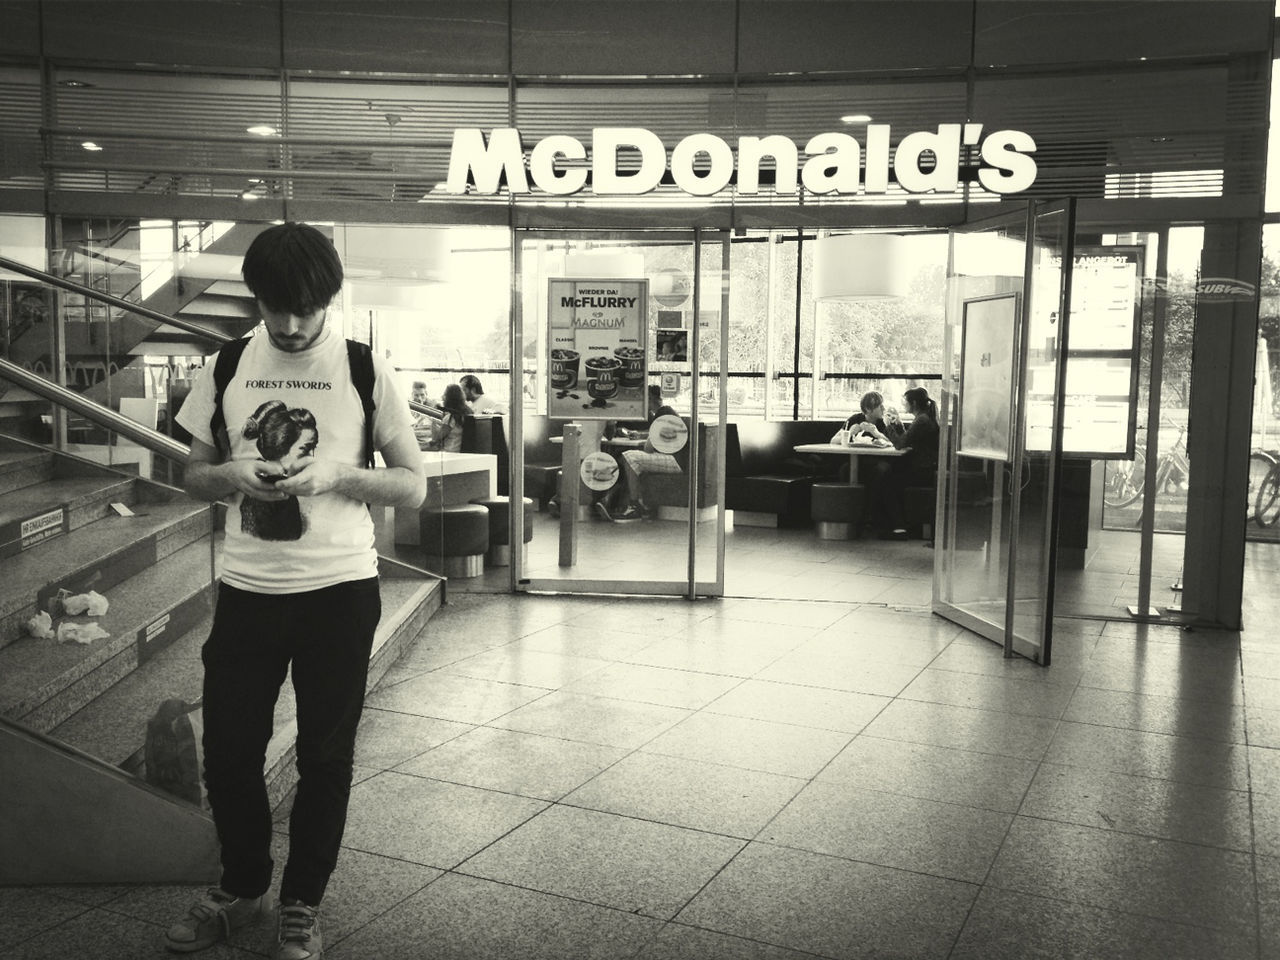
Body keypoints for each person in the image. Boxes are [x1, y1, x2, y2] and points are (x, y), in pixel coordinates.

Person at [168, 222, 425, 960]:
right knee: (229, 754)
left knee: (325, 757)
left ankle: (302, 905)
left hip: (339, 593)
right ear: (257, 299)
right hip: (248, 589)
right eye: (274, 308)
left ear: (327, 300)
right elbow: (190, 473)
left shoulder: (363, 368)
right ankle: (242, 885)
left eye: (303, 311)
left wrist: (338, 475)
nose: (287, 324)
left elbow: (413, 485)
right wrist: (230, 476)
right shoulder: (225, 364)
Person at [597, 385, 683, 522]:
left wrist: (643, 438)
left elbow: (649, 446)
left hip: (674, 460)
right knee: (629, 460)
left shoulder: (663, 413)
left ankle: (634, 505)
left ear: (651, 399)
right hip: (677, 459)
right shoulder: (667, 413)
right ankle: (623, 502)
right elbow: (656, 436)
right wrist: (642, 435)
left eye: (644, 397)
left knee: (630, 457)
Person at [873, 386, 940, 539]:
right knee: (887, 475)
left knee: (886, 483)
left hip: (923, 470)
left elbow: (899, 444)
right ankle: (896, 524)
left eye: (905, 402)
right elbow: (907, 439)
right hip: (927, 467)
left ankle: (898, 527)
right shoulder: (924, 417)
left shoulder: (922, 420)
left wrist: (888, 425)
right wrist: (899, 424)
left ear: (914, 403)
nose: (904, 405)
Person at [423, 382, 469, 452]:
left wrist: (433, 419)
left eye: (444, 394)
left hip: (449, 453)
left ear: (449, 398)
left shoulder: (451, 418)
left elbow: (436, 439)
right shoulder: (466, 412)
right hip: (460, 451)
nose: (442, 397)